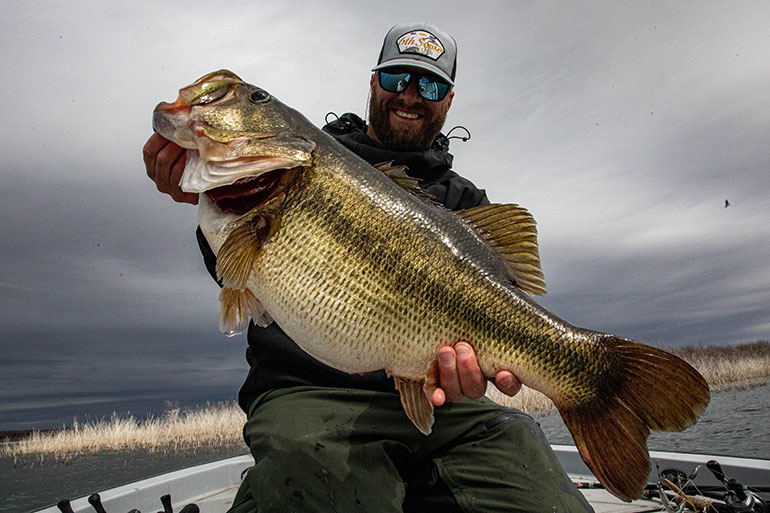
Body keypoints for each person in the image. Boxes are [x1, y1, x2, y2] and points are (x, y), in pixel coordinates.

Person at [144, 21, 593, 513]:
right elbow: (236, 271)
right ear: (374, 82)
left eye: (431, 84)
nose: (412, 95)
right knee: (304, 469)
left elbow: (503, 300)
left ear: (448, 101)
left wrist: (468, 373)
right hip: (309, 394)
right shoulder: (312, 160)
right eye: (398, 77)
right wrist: (205, 189)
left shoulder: (465, 204)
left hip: (446, 410)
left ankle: (586, 380)